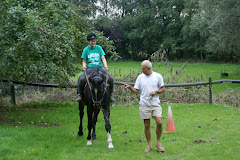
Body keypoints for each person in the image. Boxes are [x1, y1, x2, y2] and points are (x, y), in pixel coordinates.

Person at [122, 60, 165, 152]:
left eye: (143, 68)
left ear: (149, 68)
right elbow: (136, 90)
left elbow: (163, 89)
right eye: (141, 68)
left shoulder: (158, 76)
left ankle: (158, 143)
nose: (141, 70)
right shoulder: (140, 77)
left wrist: (156, 92)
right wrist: (130, 87)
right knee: (147, 125)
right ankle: (149, 145)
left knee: (159, 122)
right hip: (144, 104)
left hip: (155, 103)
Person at [76, 33, 114, 102]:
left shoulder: (99, 48)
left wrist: (105, 65)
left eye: (94, 41)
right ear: (89, 41)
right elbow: (84, 61)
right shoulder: (86, 49)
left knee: (111, 78)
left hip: (99, 68)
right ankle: (80, 94)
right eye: (91, 41)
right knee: (81, 79)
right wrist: (84, 66)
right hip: (90, 68)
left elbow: (103, 58)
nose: (93, 42)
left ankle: (111, 94)